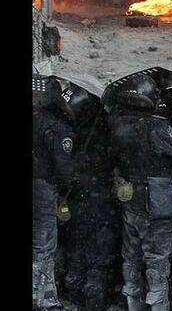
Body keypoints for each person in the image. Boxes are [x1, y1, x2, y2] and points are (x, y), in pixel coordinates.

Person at [109, 74, 172, 311]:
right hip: (157, 200)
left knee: (131, 257)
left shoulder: (117, 125)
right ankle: (158, 306)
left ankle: (133, 304)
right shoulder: (157, 127)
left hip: (130, 197)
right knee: (157, 261)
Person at [57, 86, 119, 311]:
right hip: (99, 201)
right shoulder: (104, 135)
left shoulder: (69, 134)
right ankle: (94, 299)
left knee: (75, 250)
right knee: (98, 255)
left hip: (77, 199)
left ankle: (73, 293)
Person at [33, 74, 76, 310]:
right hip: (42, 188)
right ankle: (44, 299)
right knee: (44, 244)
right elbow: (64, 168)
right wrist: (69, 188)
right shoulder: (55, 127)